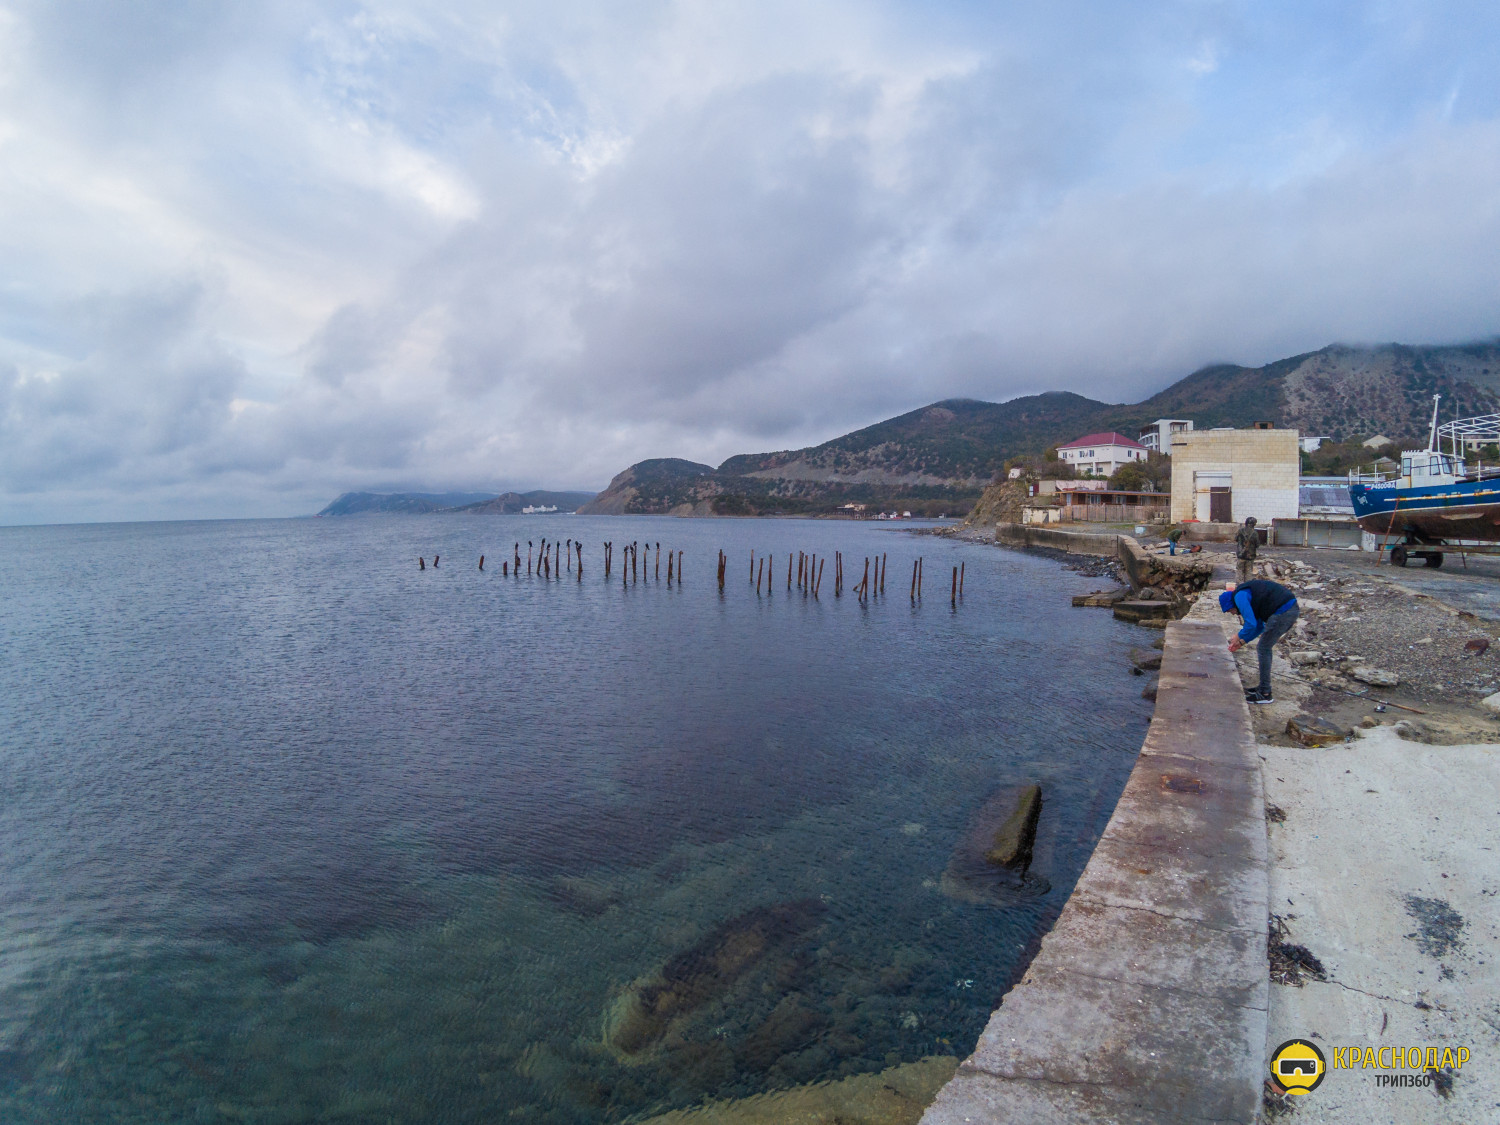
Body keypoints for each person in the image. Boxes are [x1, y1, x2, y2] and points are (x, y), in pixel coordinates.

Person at [1220, 578, 1299, 704]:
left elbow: (1250, 624)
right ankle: (1262, 688)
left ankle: (1265, 693)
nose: (1232, 614)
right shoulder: (1247, 597)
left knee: (1263, 648)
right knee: (1263, 647)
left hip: (1284, 611)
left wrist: (1238, 635)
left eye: (1230, 610)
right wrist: (1241, 642)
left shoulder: (1239, 597)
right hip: (1289, 608)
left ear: (1231, 604)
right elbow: (1259, 626)